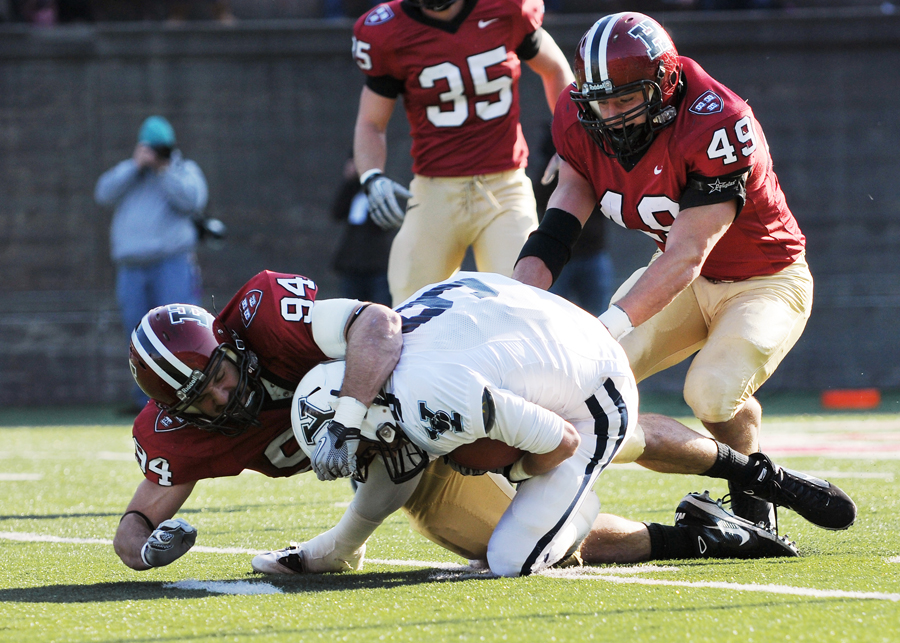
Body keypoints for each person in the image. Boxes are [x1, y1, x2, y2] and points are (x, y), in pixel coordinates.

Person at [282, 273, 854, 577]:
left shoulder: (432, 400)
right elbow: (376, 323)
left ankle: (704, 536)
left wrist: (511, 466)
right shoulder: (358, 342)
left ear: (367, 408)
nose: (367, 466)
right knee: (554, 422)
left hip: (585, 387)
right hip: (544, 330)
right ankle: (760, 476)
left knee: (513, 557)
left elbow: (563, 440)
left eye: (360, 448)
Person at [512, 13, 813, 528]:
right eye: (600, 102)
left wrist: (604, 328)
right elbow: (563, 217)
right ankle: (544, 502)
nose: (610, 115)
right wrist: (518, 302)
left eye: (625, 100)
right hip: (686, 281)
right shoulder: (578, 116)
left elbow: (687, 253)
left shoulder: (718, 120)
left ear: (665, 84)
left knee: (712, 395)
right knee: (583, 382)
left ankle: (752, 482)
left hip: (765, 279)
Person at [114, 269, 518, 571]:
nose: (222, 397)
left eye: (220, 377)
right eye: (200, 401)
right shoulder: (180, 436)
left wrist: (346, 418)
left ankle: (339, 547)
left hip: (438, 395)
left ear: (231, 346)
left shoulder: (268, 319)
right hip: (391, 463)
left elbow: (379, 323)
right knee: (510, 547)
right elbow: (134, 524)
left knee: (541, 479)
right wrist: (147, 551)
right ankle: (343, 547)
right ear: (179, 414)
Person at [351, 0, 574, 306]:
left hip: (505, 186)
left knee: (523, 304)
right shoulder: (388, 32)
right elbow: (370, 122)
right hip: (434, 192)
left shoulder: (506, 8)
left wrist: (571, 139)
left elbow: (555, 69)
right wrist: (372, 176)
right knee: (407, 311)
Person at [95, 115, 209, 413]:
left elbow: (193, 200)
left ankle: (184, 398)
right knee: (136, 336)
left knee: (180, 333)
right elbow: (103, 192)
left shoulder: (183, 170)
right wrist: (136, 166)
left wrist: (164, 171)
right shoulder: (131, 172)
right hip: (132, 267)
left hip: (171, 264)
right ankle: (144, 401)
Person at [331, 157, 395, 305]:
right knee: (351, 311)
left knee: (379, 309)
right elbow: (337, 213)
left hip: (377, 265)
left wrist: (372, 183)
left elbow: (384, 223)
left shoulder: (383, 189)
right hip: (351, 265)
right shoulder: (353, 190)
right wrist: (350, 181)